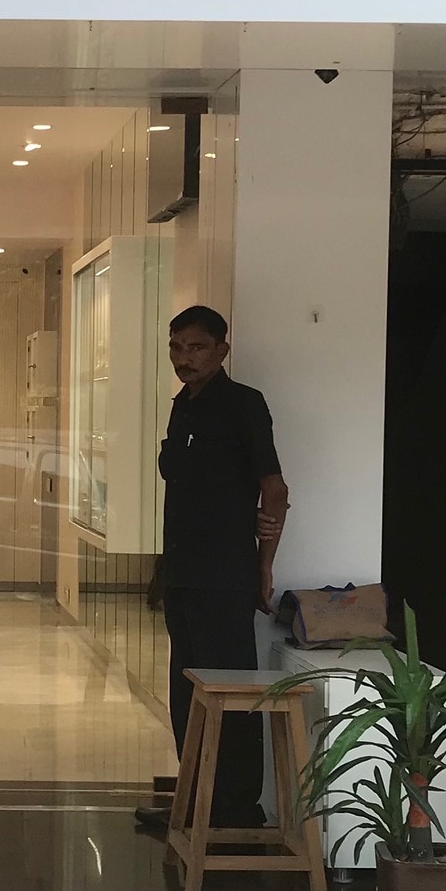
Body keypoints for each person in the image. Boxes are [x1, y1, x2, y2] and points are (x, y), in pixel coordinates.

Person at [135, 306, 289, 836]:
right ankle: (194, 805)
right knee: (187, 693)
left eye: (196, 347)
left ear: (222, 350)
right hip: (182, 570)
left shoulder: (243, 404)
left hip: (224, 575)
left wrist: (264, 565)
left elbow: (274, 488)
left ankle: (235, 810)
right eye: (177, 348)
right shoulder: (182, 406)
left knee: (228, 691)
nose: (185, 358)